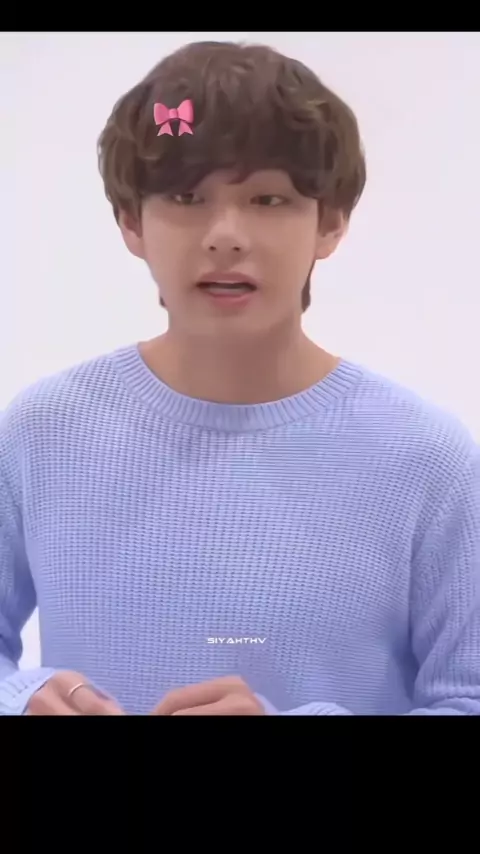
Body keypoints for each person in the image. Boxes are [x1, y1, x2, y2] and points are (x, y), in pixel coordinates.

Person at [1, 40, 479, 717]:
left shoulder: (427, 460)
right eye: (186, 196)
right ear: (131, 222)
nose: (225, 234)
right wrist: (22, 699)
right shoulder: (40, 433)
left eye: (268, 198)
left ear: (331, 223)